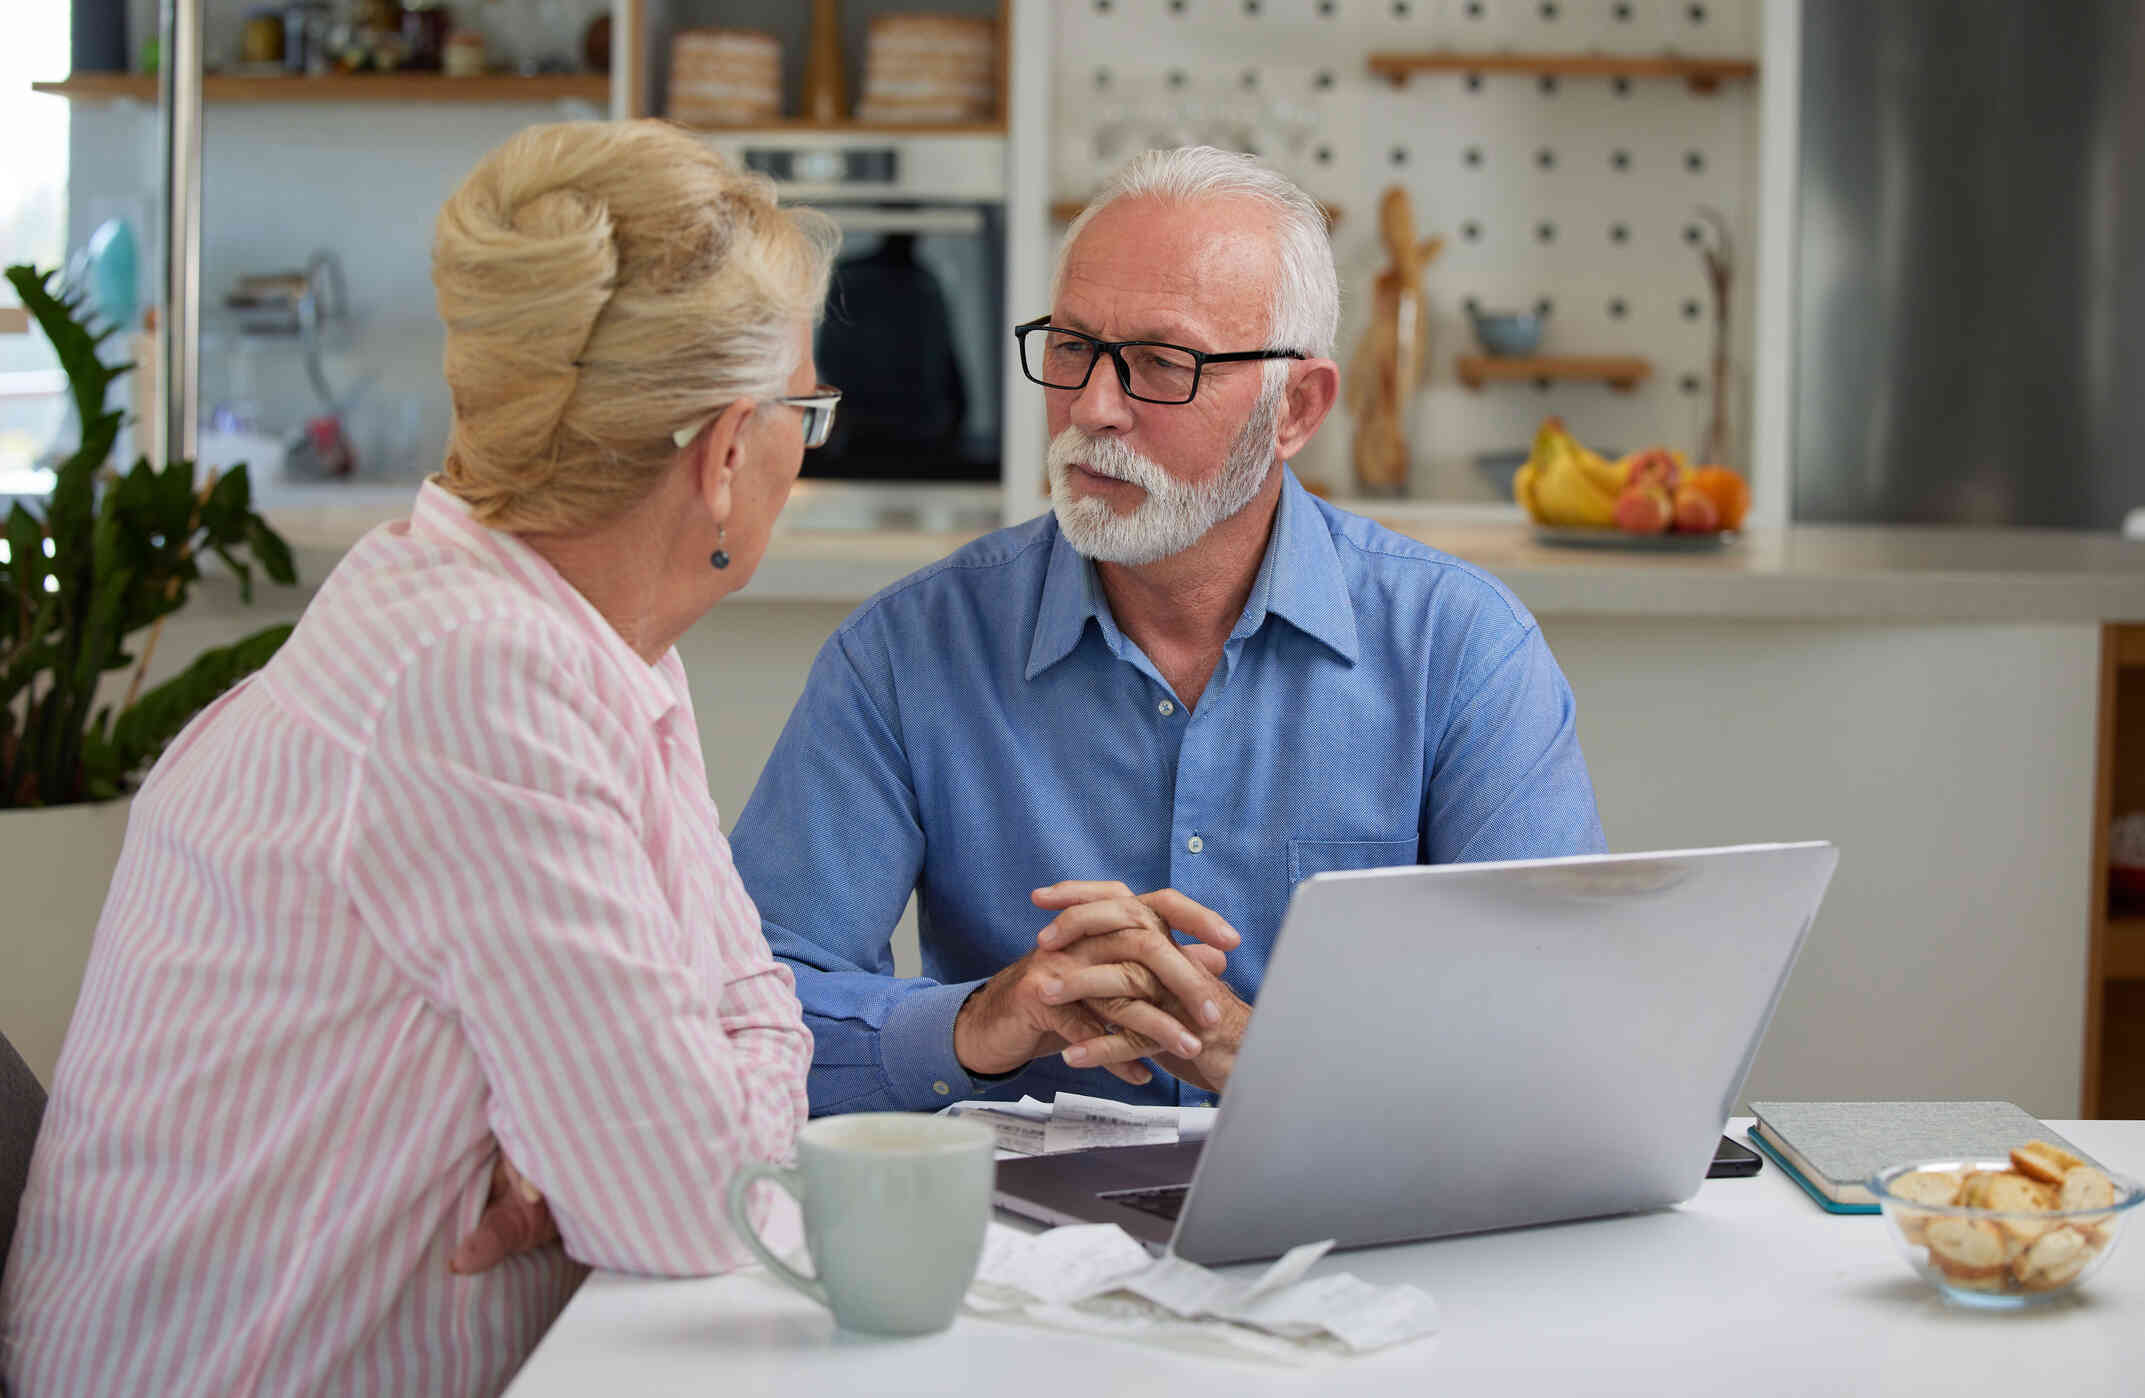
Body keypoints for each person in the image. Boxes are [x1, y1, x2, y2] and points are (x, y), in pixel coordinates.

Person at [1, 121, 838, 1397]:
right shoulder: (479, 680)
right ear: (727, 457)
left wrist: (630, 1131)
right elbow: (702, 1204)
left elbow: (725, 1058)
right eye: (805, 413)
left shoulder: (552, 638)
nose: (803, 452)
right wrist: (668, 1123)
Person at [730, 147, 1606, 1118]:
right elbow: (750, 1014)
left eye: (1160, 364)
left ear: (1297, 407)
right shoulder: (905, 653)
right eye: (1070, 348)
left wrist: (1262, 1057)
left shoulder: (1462, 651)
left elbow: (1557, 1037)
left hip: (1354, 1235)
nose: (1093, 408)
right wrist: (984, 1020)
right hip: (1017, 1257)